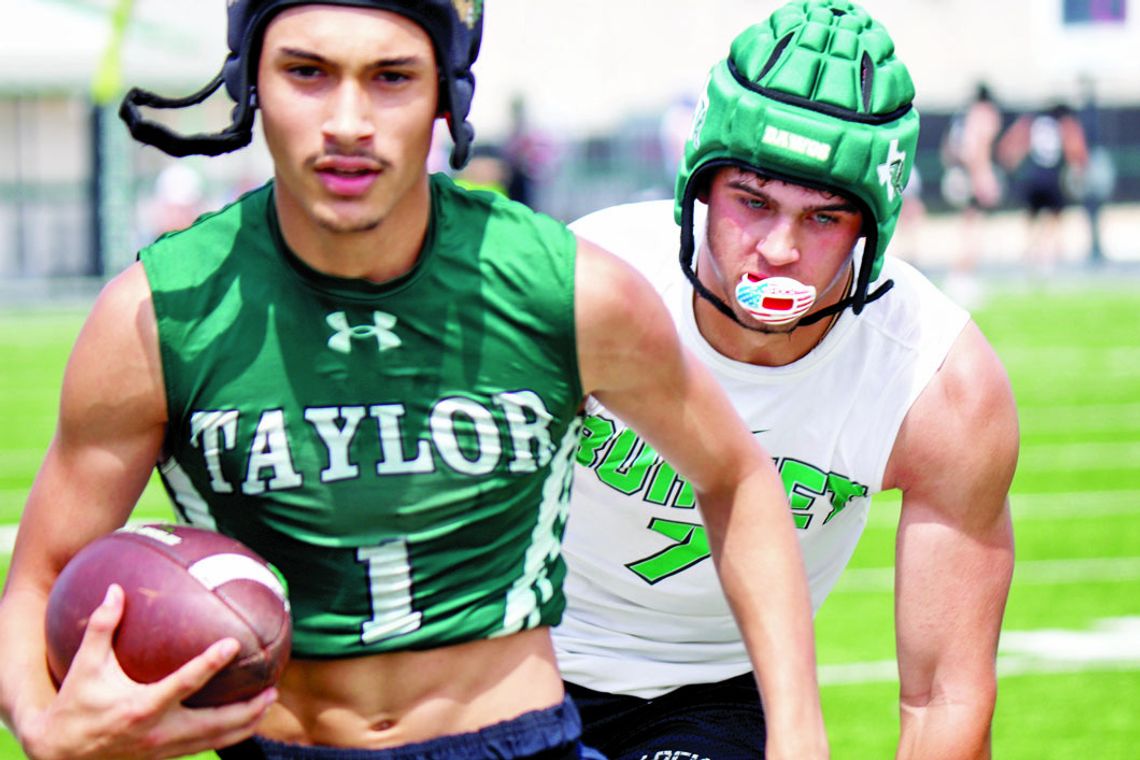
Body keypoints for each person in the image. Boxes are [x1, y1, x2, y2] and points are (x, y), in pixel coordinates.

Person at [0, 2, 827, 760]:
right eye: (307, 72)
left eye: (391, 77)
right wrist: (45, 726)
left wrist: (796, 732)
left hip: (516, 743)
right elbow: (38, 577)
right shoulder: (160, 313)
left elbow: (737, 476)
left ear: (446, 94)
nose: (348, 122)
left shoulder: (565, 288)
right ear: (250, 80)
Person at [553, 2, 1019, 759]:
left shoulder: (939, 382)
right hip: (524, 653)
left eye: (824, 218)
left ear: (874, 227)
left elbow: (944, 697)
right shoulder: (590, 286)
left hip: (716, 686)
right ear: (699, 186)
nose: (776, 249)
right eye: (753, 201)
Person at [997, 101, 1090, 276]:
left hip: (1032, 177)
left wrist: (1011, 163)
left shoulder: (1032, 122)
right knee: (1053, 221)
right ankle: (1046, 259)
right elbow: (1076, 150)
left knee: (1032, 219)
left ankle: (1031, 255)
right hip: (1053, 178)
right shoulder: (1065, 123)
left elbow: (1010, 147)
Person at [939, 82, 1003, 306]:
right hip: (970, 175)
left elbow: (949, 148)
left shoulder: (962, 114)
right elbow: (977, 148)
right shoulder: (983, 114)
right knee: (974, 229)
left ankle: (960, 277)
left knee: (967, 226)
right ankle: (962, 277)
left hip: (957, 174)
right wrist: (981, 177)